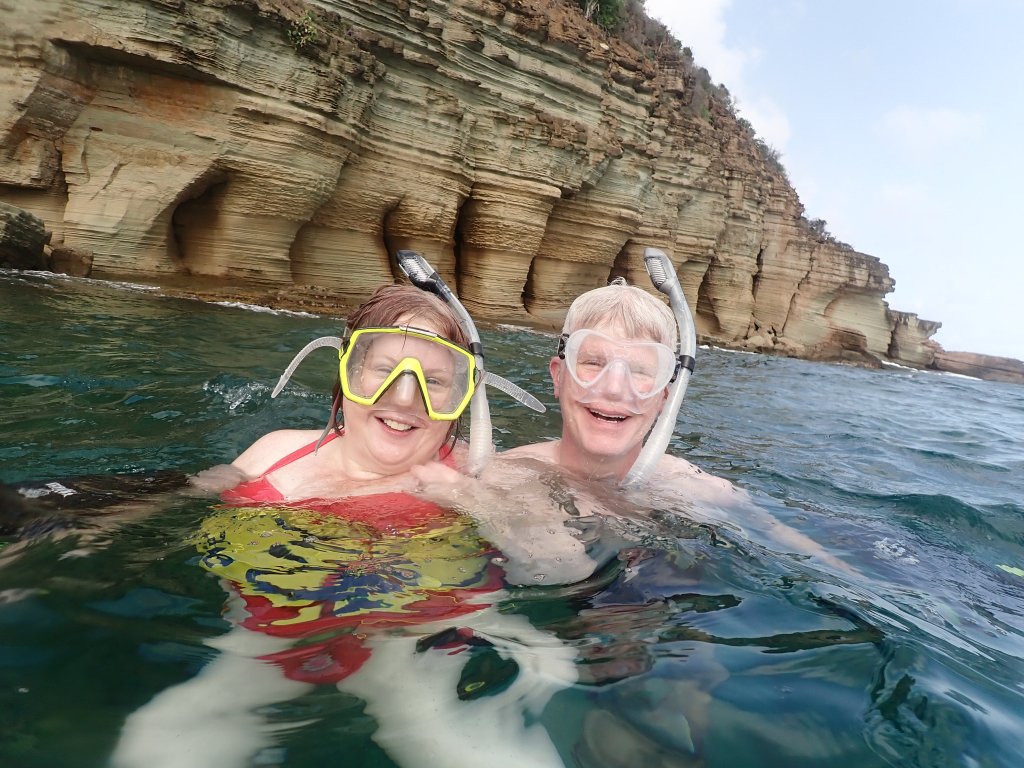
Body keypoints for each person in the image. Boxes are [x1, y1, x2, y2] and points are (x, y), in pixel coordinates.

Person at [112, 284, 574, 768]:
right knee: (161, 739)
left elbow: (561, 562)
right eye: (382, 370)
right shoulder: (275, 454)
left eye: (433, 381)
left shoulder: (477, 472)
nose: (403, 397)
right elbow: (171, 493)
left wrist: (471, 500)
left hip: (411, 647)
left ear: (462, 396)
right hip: (272, 635)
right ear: (347, 371)